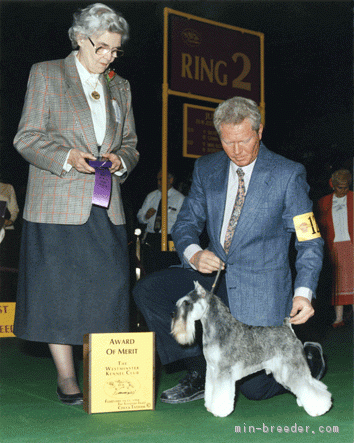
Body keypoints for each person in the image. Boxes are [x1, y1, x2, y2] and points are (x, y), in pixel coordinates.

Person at [134, 96, 325, 405]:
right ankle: (199, 372)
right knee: (149, 291)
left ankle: (308, 361)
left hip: (259, 284)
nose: (236, 150)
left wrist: (304, 292)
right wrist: (194, 252)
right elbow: (185, 223)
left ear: (260, 131)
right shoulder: (206, 168)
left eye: (244, 140)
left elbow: (310, 239)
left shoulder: (288, 174)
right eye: (227, 141)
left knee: (254, 390)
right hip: (210, 277)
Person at [13, 3, 139, 405]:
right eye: (101, 47)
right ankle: (67, 378)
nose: (109, 57)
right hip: (56, 204)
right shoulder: (47, 74)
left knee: (110, 291)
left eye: (115, 50)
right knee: (58, 294)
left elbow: (132, 145)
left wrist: (122, 160)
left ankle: (105, 377)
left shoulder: (120, 86)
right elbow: (26, 138)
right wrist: (68, 157)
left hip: (106, 203)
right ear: (79, 39)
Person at [317, 169, 353, 327]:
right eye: (340, 187)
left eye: (346, 187)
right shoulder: (323, 202)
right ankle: (339, 318)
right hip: (334, 247)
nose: (343, 190)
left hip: (351, 245)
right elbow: (320, 226)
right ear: (333, 185)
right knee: (338, 282)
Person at [137, 170, 184, 273]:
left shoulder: (180, 198)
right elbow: (140, 217)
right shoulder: (151, 196)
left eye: (161, 180)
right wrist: (146, 216)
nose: (158, 183)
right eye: (158, 180)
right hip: (152, 237)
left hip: (170, 238)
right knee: (150, 269)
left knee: (168, 269)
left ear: (170, 180)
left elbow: (183, 222)